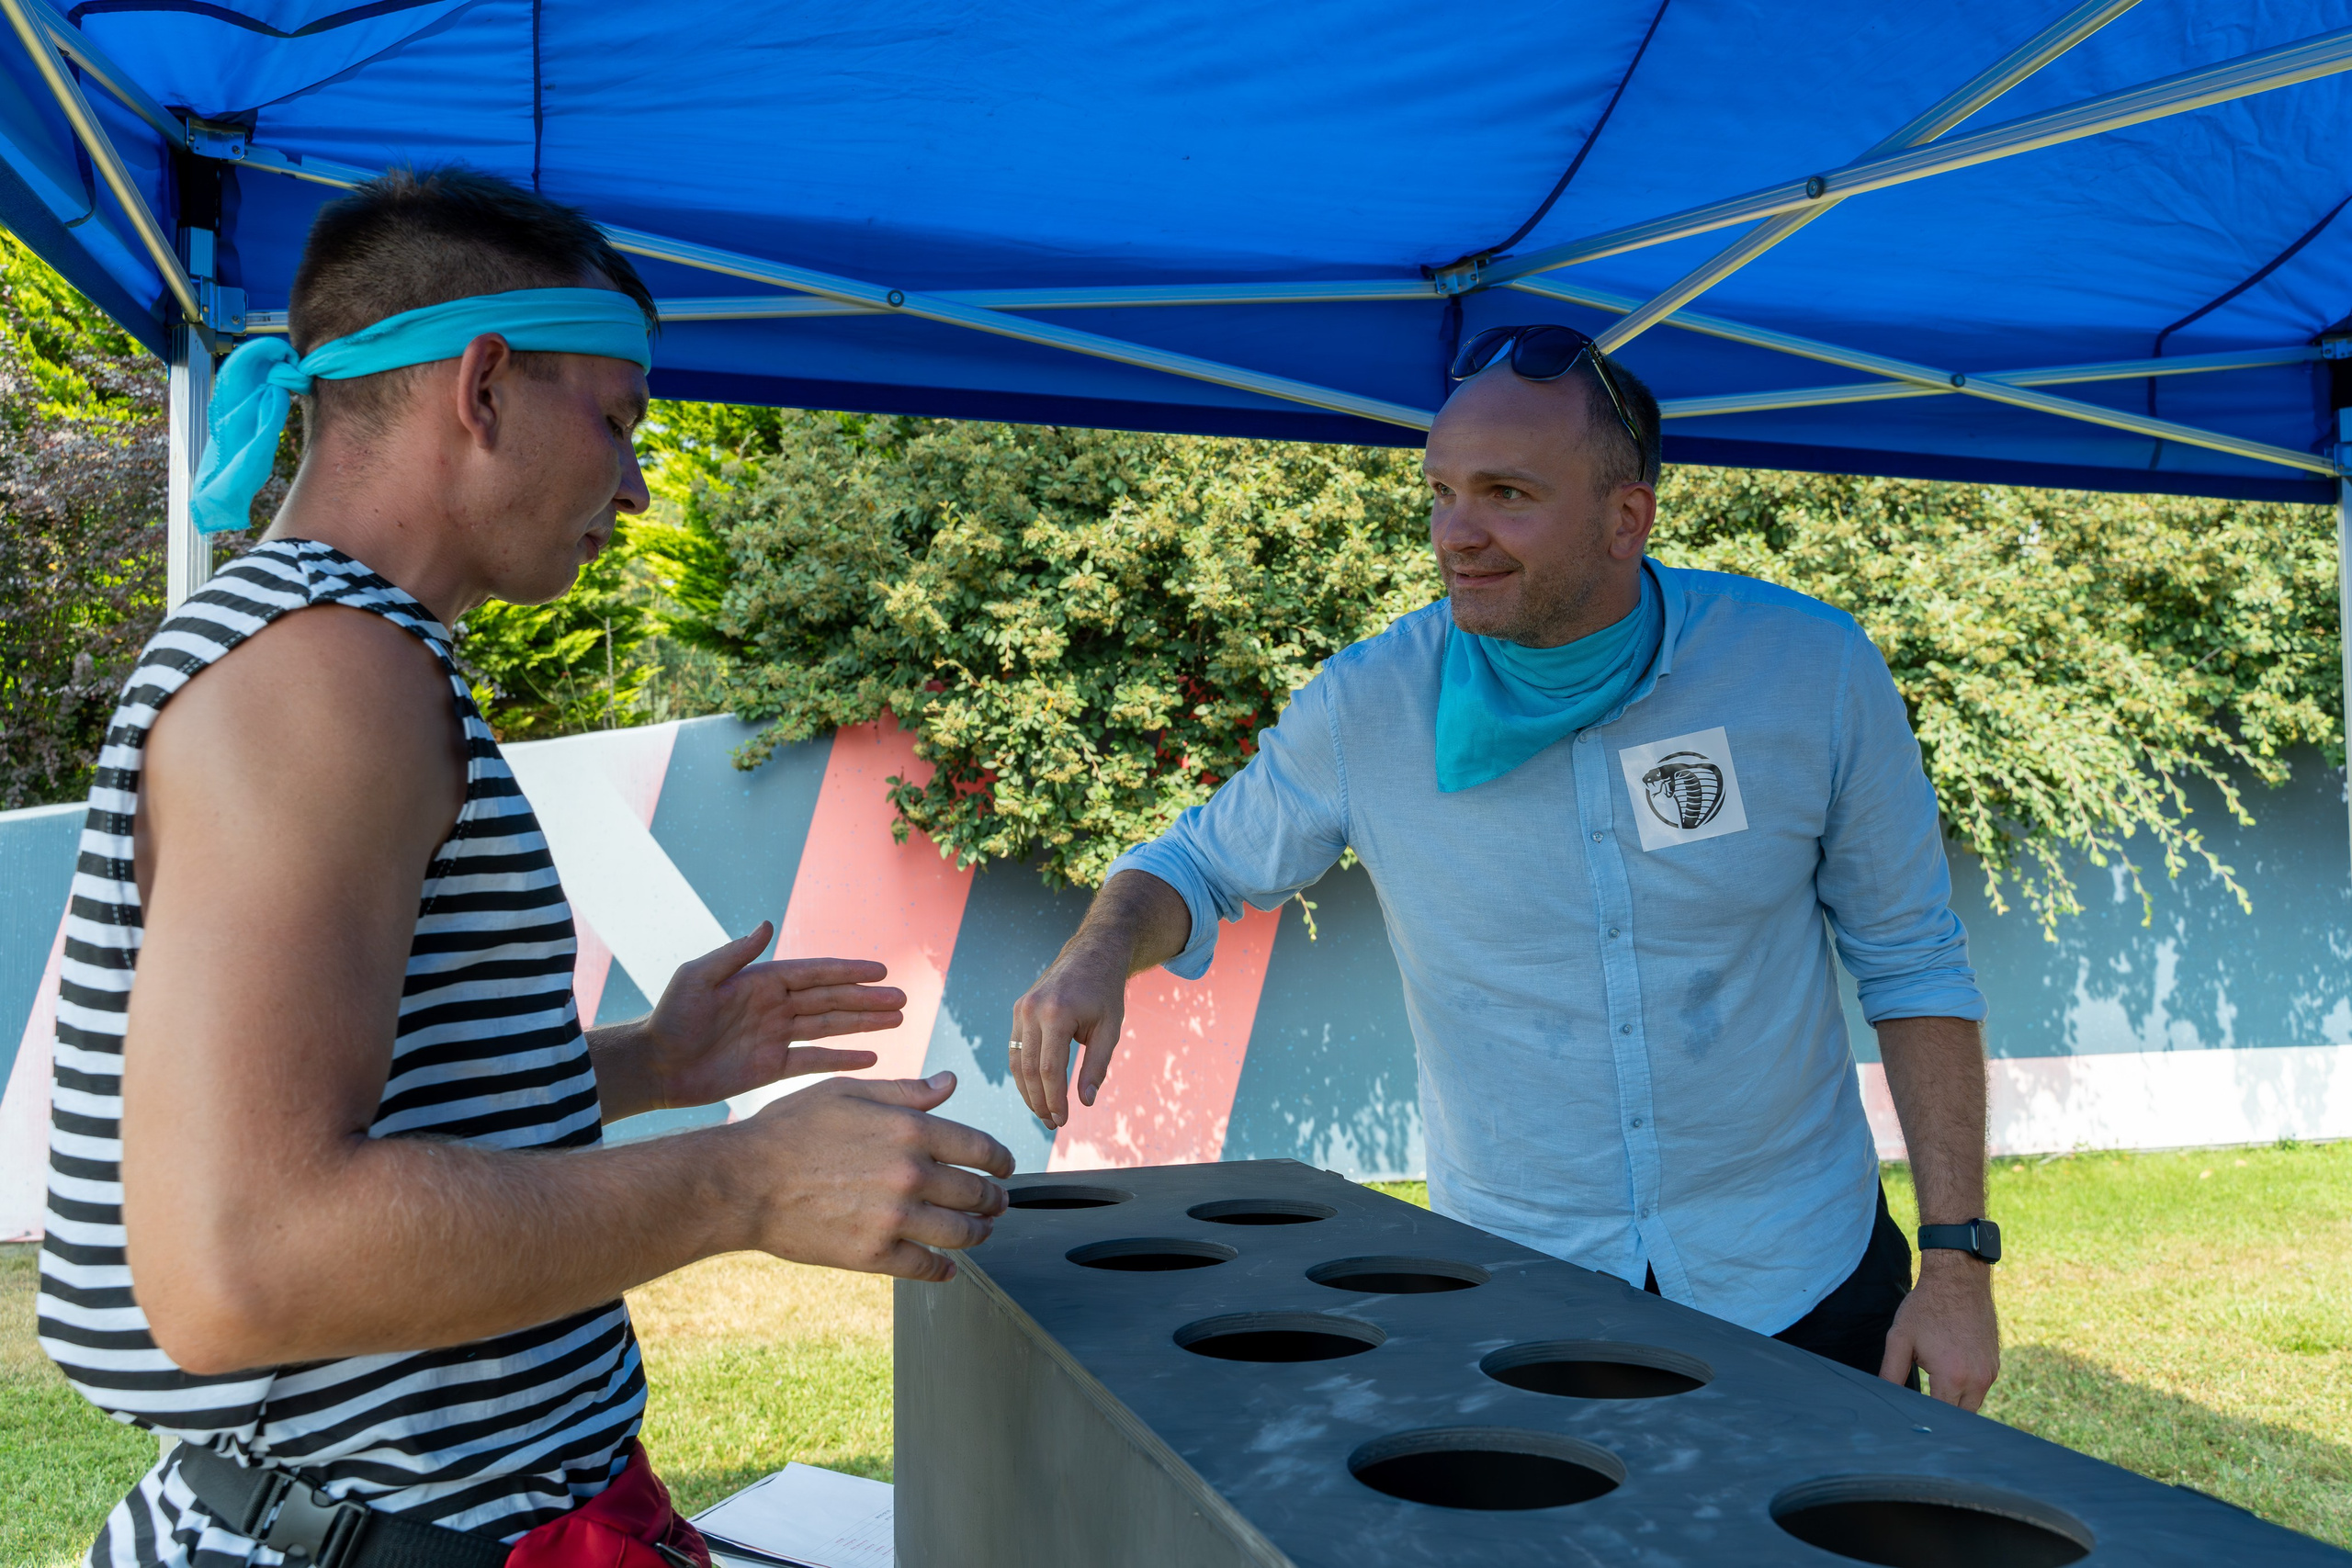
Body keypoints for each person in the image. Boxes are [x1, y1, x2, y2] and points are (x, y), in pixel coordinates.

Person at [40, 167, 1013, 1568]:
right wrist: (740, 1181)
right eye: (616, 419)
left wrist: (647, 1065)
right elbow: (242, 1263)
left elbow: (330, 1106)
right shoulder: (325, 669)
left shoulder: (320, 643)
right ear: (482, 387)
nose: (629, 481)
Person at [1011, 323, 2002, 1407]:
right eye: (1439, 493)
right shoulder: (1368, 705)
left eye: (1505, 495)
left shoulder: (1808, 671)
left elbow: (1911, 962)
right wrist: (1098, 951)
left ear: (1627, 518)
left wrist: (1955, 1261)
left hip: (1802, 1272)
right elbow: (1194, 865)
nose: (1456, 535)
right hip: (1518, 1291)